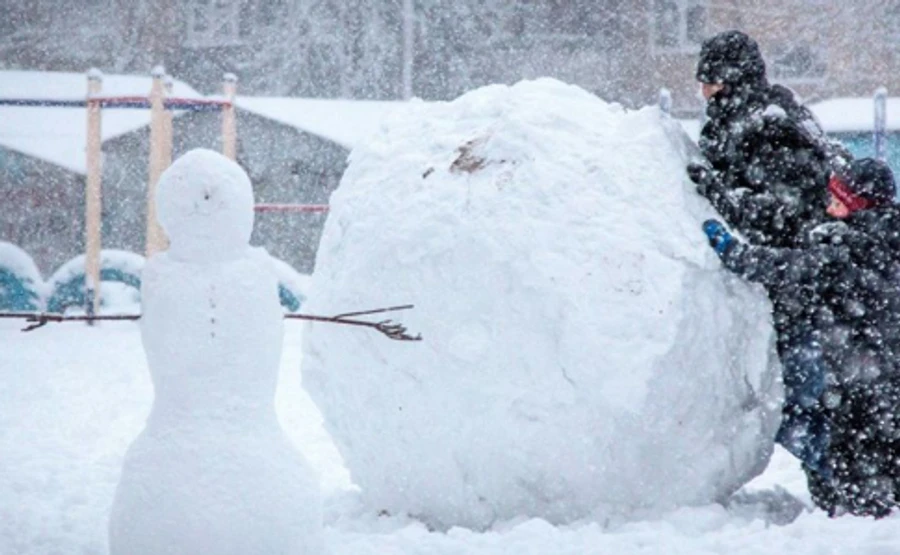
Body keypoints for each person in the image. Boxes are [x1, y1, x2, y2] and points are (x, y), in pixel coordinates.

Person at [702, 158, 900, 517]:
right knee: (875, 445)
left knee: (812, 426)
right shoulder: (885, 239)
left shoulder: (850, 248)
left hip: (863, 378)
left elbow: (789, 267)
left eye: (837, 201)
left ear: (857, 204)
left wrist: (733, 252)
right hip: (882, 375)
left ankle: (861, 507)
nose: (828, 207)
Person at [688, 30, 850, 249]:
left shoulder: (773, 126)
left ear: (730, 81)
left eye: (710, 83)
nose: (704, 93)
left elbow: (783, 215)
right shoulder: (728, 123)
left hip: (790, 263)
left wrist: (719, 195)